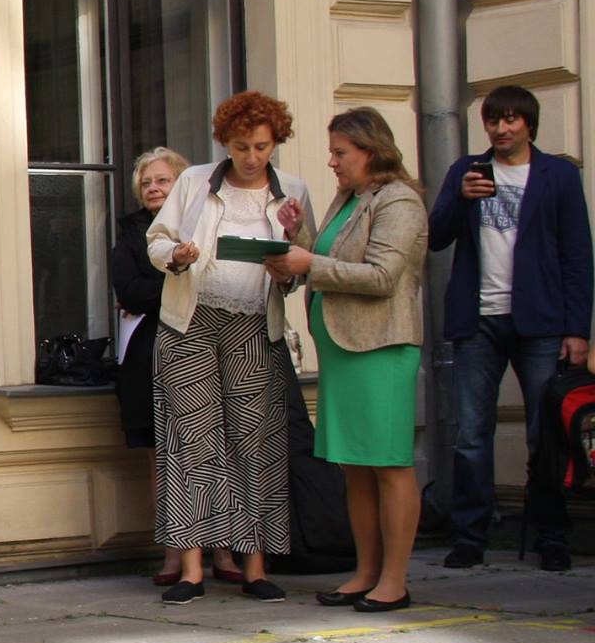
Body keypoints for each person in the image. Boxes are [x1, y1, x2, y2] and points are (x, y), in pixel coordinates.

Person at [146, 92, 317, 604]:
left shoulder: (293, 190)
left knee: (256, 442)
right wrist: (177, 254)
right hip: (190, 322)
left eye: (261, 146)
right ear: (225, 142)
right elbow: (156, 240)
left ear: (275, 142)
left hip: (255, 326)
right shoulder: (195, 181)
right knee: (191, 441)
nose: (251, 157)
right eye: (241, 146)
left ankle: (255, 567)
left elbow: (301, 270)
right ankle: (192, 570)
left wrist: (291, 247)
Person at [265, 108, 428, 611]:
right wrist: (298, 235)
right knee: (354, 467)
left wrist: (308, 261)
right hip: (341, 347)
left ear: (371, 151)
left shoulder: (399, 200)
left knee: (389, 464)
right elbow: (333, 260)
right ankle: (365, 573)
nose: (332, 162)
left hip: (381, 349)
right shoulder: (349, 197)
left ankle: (394, 581)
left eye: (340, 152)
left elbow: (381, 276)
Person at [428, 84, 592, 572]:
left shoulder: (558, 175)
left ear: (529, 124)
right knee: (471, 433)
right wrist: (460, 199)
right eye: (493, 119)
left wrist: (578, 330)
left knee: (546, 435)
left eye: (510, 119)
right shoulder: (468, 170)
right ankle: (470, 536)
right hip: (478, 319)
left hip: (541, 321)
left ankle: (551, 535)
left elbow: (577, 255)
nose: (500, 128)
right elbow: (434, 236)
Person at [114, 147, 247, 589]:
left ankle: (223, 550)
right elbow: (129, 290)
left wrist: (169, 283)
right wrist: (178, 280)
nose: (153, 188)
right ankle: (173, 553)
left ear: (182, 184)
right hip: (148, 353)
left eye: (162, 180)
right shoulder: (131, 232)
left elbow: (221, 281)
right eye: (146, 182)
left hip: (207, 344)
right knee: (165, 458)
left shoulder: (207, 221)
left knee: (218, 452)